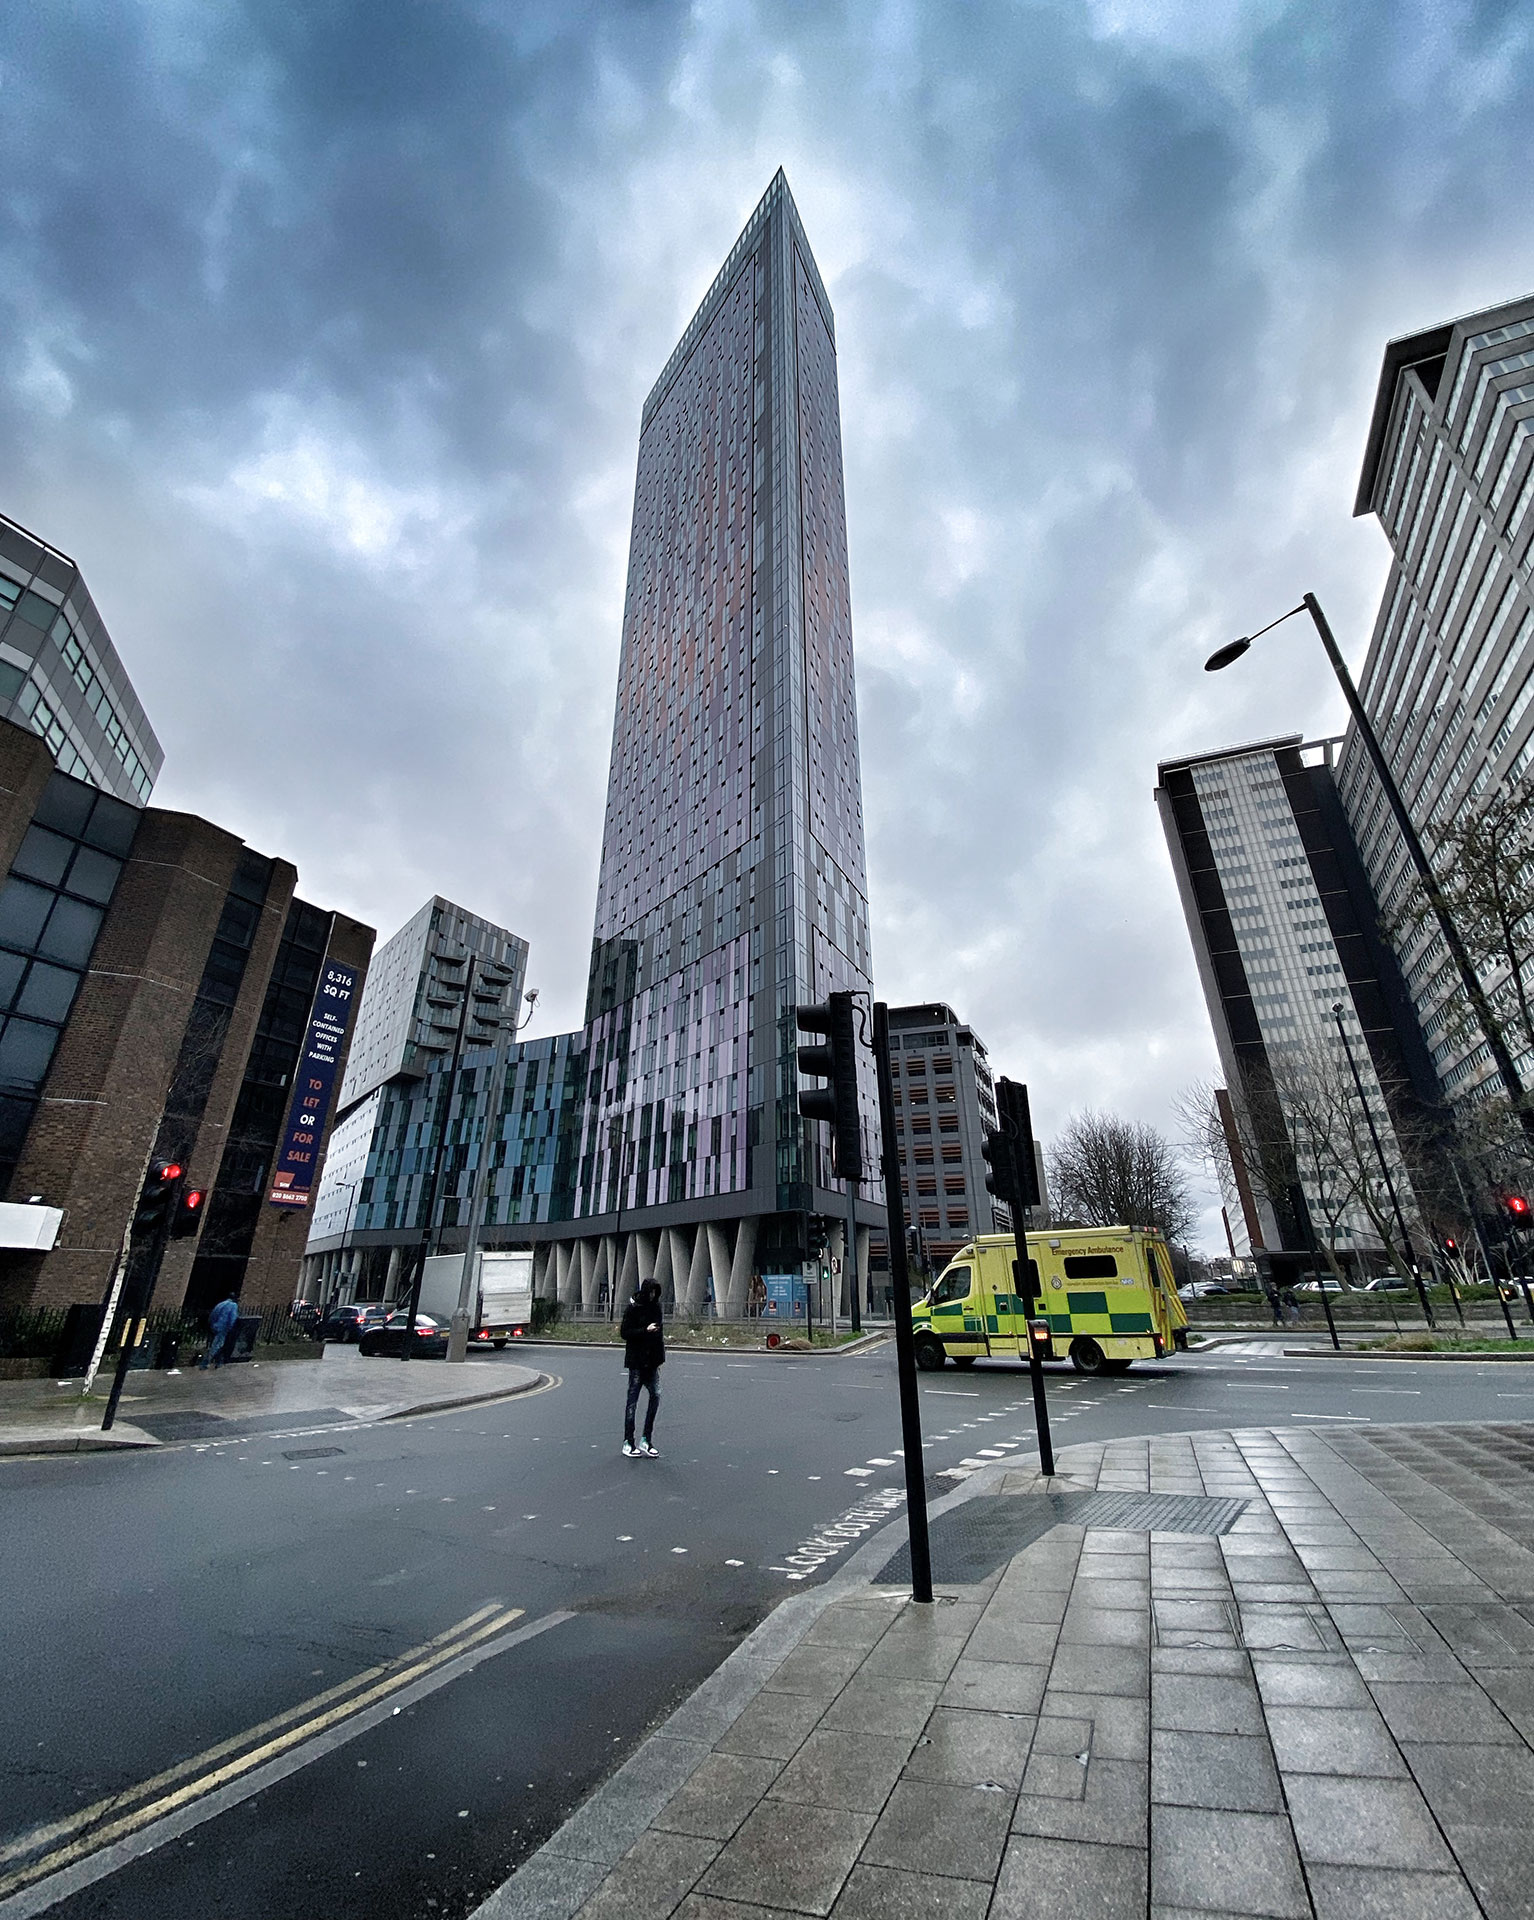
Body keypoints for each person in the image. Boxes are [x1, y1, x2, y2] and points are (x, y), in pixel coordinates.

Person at [620, 1278, 664, 1458]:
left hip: (652, 1362)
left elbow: (659, 1334)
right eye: (651, 1292)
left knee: (656, 1395)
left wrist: (659, 1359)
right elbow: (625, 1332)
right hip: (637, 1361)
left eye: (655, 1292)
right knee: (633, 1401)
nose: (653, 1295)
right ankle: (628, 1442)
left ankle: (646, 1439)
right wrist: (645, 1330)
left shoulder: (656, 1308)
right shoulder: (633, 1308)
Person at [201, 1293, 240, 1369]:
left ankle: (218, 1362)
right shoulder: (233, 1305)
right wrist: (231, 1328)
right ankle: (205, 1362)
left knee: (218, 1344)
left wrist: (212, 1324)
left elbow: (212, 1315)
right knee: (217, 1345)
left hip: (215, 1326)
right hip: (223, 1327)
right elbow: (232, 1318)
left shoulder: (221, 1304)